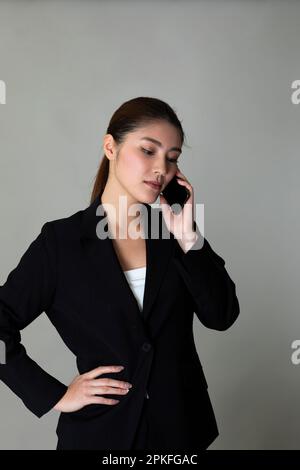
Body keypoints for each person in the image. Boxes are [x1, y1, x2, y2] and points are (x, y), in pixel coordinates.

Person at [0, 96, 240, 450]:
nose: (162, 168)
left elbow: (222, 316)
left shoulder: (175, 236)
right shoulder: (61, 243)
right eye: (148, 151)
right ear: (110, 146)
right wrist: (56, 395)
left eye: (172, 159)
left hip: (181, 434)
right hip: (100, 435)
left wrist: (188, 233)